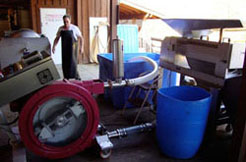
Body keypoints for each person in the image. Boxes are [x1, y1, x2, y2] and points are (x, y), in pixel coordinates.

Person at [52, 14, 84, 80]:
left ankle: (77, 77)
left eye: (67, 21)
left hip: (73, 47)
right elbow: (57, 38)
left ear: (70, 21)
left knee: (73, 62)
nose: (66, 23)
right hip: (65, 48)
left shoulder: (74, 28)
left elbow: (81, 38)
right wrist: (54, 46)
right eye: (64, 22)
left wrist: (81, 47)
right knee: (65, 62)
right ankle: (66, 77)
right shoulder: (61, 29)